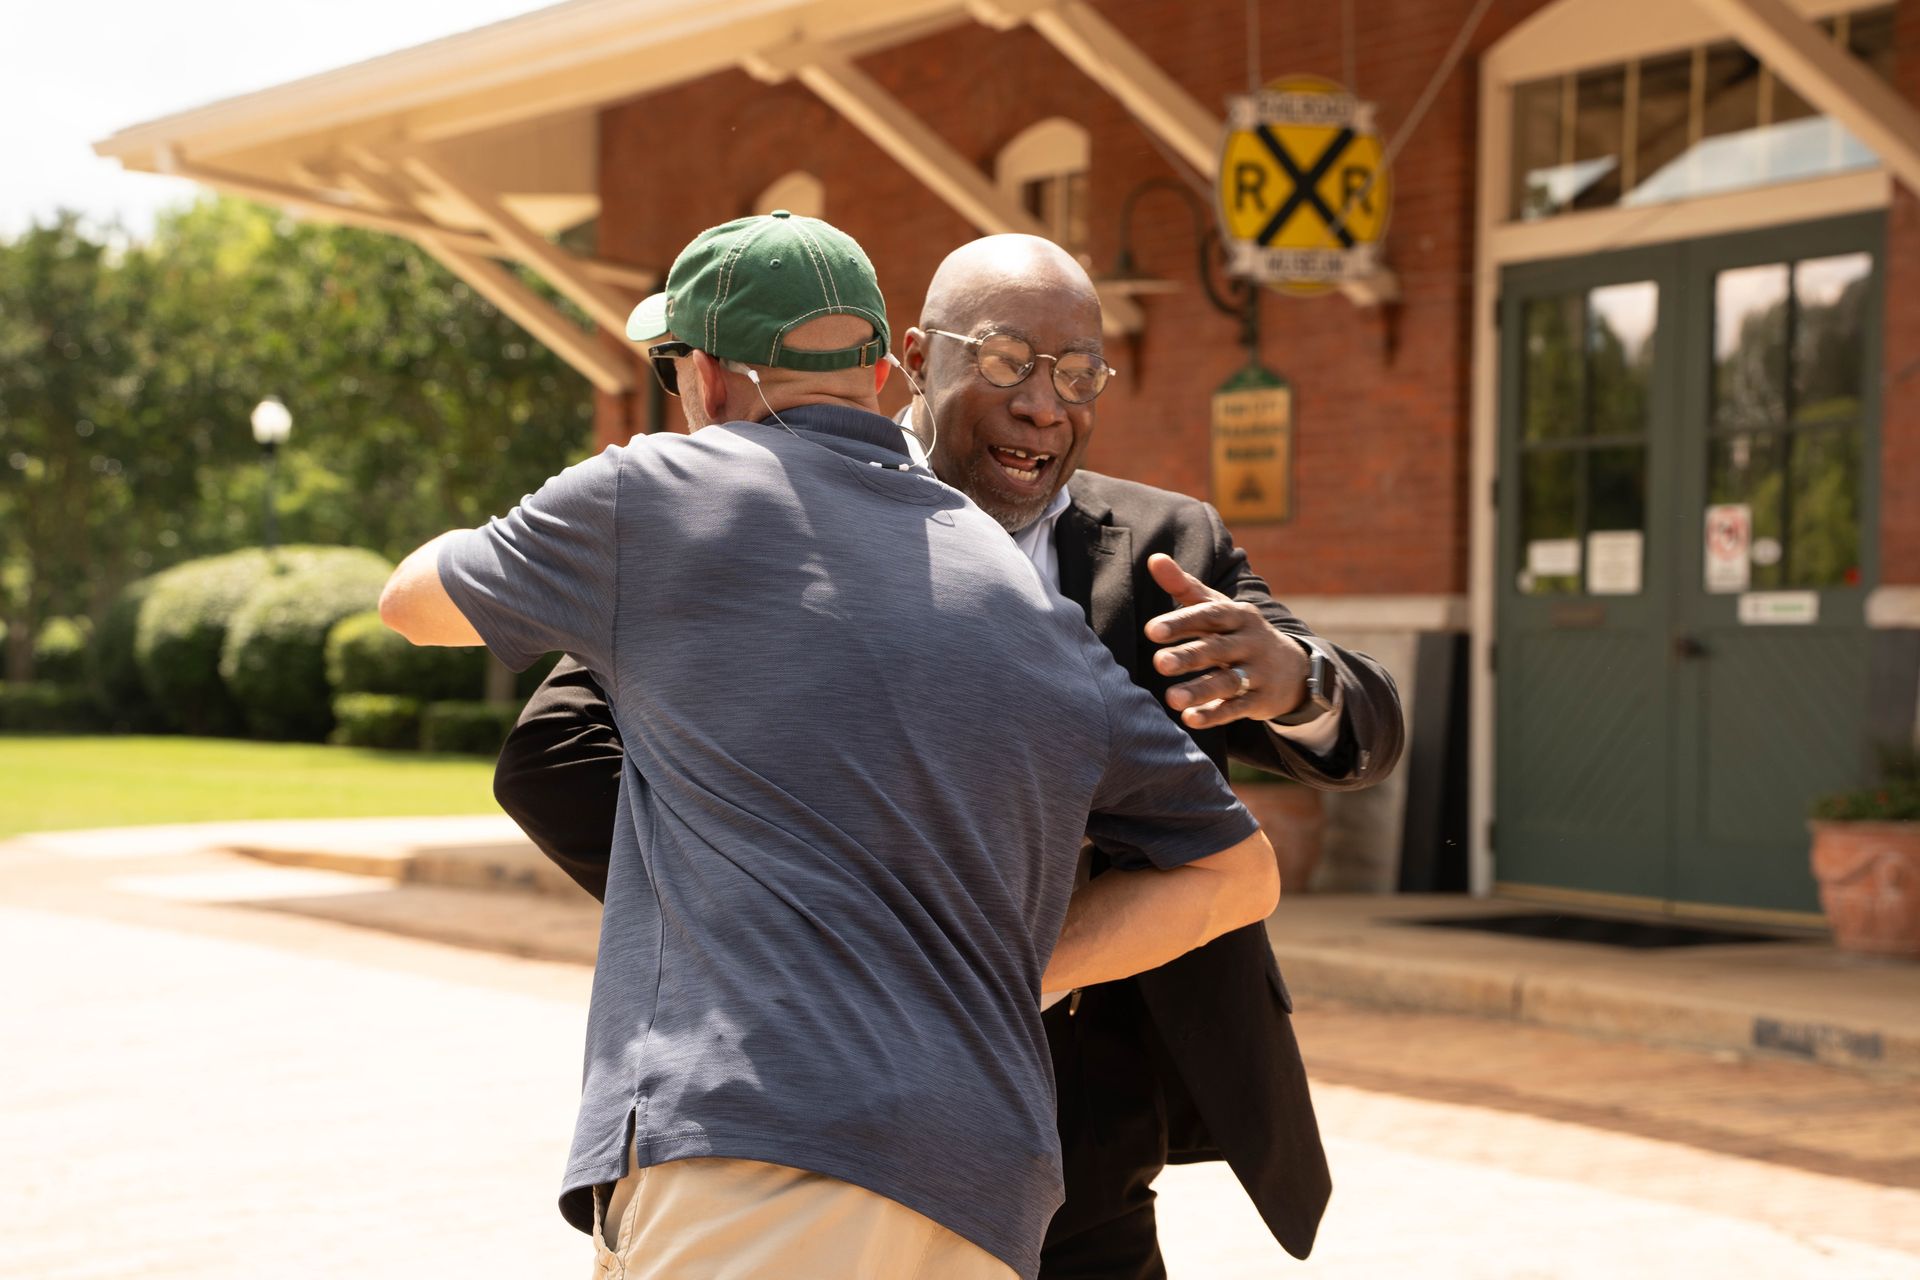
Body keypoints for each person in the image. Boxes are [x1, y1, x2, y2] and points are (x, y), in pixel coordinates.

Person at [379, 212, 1280, 1280]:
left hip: (754, 1155)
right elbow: (1239, 870)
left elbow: (412, 602)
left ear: (706, 375)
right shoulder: (1017, 591)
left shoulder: (657, 493)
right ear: (878, 370)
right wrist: (1002, 970)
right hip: (982, 1189)